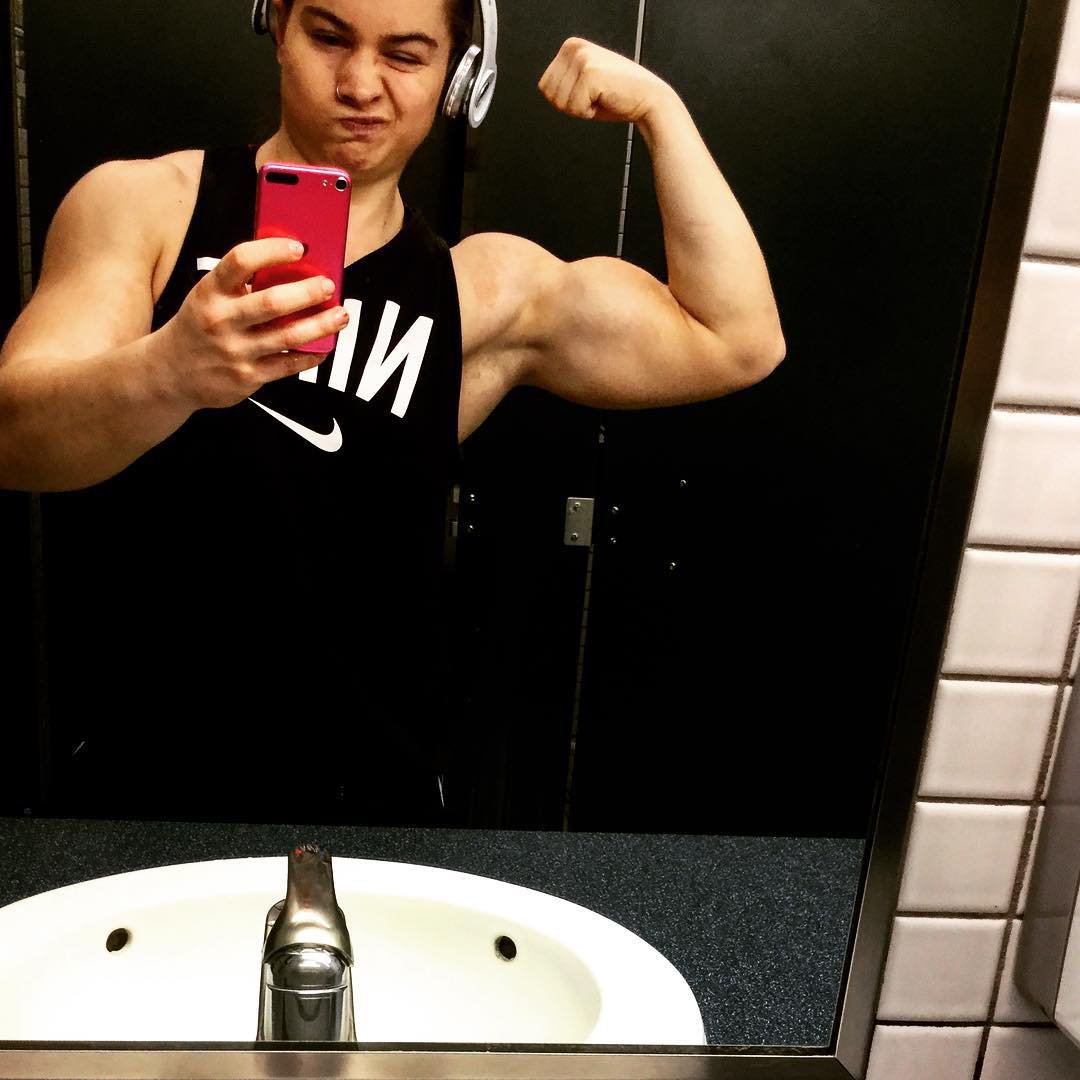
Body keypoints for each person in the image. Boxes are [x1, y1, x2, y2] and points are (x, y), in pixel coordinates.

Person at [0, 0, 784, 826]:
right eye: (329, 37)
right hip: (139, 784)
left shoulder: (481, 294)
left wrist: (662, 110)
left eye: (405, 56)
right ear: (278, 26)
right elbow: (12, 441)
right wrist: (170, 371)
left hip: (374, 797)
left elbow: (738, 340)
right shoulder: (143, 208)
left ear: (459, 75)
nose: (359, 84)